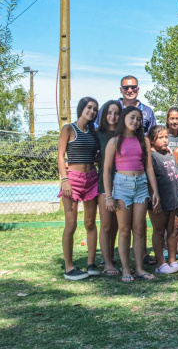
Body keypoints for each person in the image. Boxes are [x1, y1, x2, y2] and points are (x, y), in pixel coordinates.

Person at [103, 106, 161, 282]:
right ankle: (126, 270)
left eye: (138, 119)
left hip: (141, 186)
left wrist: (155, 191)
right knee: (124, 230)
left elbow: (149, 166)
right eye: (131, 117)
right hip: (122, 186)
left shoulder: (144, 140)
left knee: (139, 229)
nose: (135, 121)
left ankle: (139, 269)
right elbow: (106, 169)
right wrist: (108, 196)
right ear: (124, 118)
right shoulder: (114, 141)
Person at [57, 97, 101, 281]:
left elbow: (96, 156)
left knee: (90, 223)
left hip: (91, 179)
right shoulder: (69, 129)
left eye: (94, 109)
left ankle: (91, 264)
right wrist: (64, 179)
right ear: (82, 108)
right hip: (72, 180)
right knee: (71, 224)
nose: (91, 111)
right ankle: (69, 268)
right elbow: (60, 156)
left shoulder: (94, 132)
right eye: (89, 107)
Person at [147, 125, 178, 274]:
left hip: (174, 198)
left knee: (174, 230)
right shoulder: (151, 157)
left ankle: (172, 260)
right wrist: (153, 198)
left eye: (166, 137)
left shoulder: (169, 153)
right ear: (151, 140)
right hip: (159, 201)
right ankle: (161, 263)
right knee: (159, 231)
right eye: (160, 137)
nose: (165, 140)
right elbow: (150, 180)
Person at [96, 100, 122, 276]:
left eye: (116, 113)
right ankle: (107, 263)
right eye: (109, 113)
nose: (112, 117)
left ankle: (112, 257)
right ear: (104, 115)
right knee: (106, 225)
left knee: (116, 225)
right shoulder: (98, 134)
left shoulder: (125, 135)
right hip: (104, 185)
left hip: (122, 184)